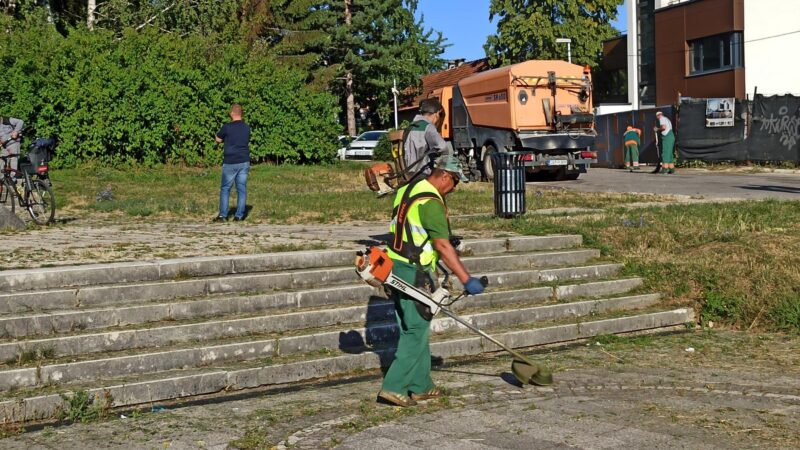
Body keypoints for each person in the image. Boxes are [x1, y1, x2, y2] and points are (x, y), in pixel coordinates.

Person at [377, 154, 484, 408]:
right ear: (445, 175)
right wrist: (466, 278)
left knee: (414, 325)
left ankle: (421, 385)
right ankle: (393, 387)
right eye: (455, 182)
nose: (455, 188)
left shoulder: (408, 189)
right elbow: (442, 246)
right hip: (414, 272)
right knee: (415, 329)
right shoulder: (431, 202)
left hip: (394, 266)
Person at [214, 104, 251, 222]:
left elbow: (218, 139)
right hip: (244, 161)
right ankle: (239, 216)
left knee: (225, 188)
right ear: (241, 113)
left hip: (230, 161)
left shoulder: (227, 127)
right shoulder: (247, 127)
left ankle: (223, 215)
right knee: (241, 189)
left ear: (232, 113)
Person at [402, 98, 450, 179]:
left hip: (408, 174)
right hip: (422, 174)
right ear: (437, 114)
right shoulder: (428, 127)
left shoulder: (411, 127)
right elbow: (443, 148)